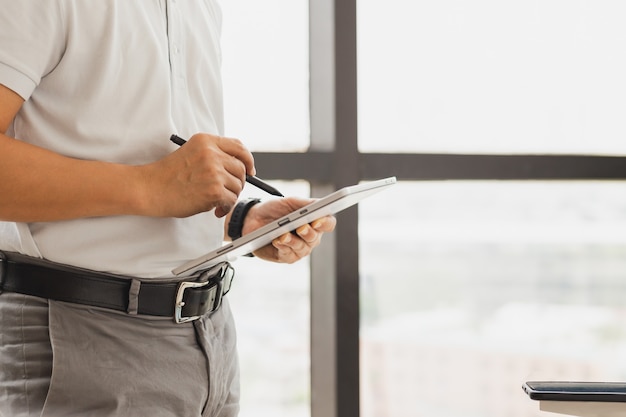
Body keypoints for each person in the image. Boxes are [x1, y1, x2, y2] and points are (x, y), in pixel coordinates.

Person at [0, 2, 336, 417]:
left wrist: (239, 220)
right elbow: (155, 181)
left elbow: (146, 150)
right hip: (85, 339)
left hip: (210, 339)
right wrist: (150, 185)